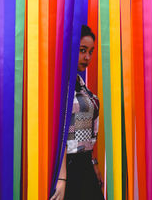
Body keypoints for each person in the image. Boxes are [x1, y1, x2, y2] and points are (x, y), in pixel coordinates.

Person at [50, 25, 104, 200]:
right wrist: (62, 178)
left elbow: (89, 130)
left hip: (85, 164)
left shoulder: (81, 85)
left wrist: (94, 163)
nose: (87, 57)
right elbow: (60, 135)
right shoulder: (60, 85)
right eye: (82, 50)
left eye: (90, 51)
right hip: (69, 166)